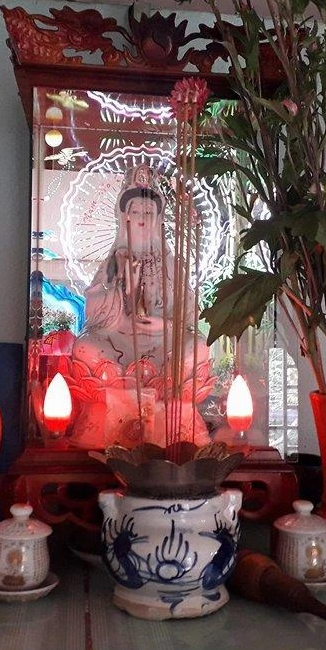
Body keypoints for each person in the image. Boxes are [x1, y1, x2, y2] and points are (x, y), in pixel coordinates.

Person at [69, 163, 211, 447]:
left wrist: (166, 325)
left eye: (149, 212)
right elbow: (94, 308)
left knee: (198, 347)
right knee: (85, 348)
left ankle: (173, 422)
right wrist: (123, 296)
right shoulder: (113, 261)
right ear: (125, 217)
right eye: (136, 212)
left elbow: (189, 310)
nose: (143, 219)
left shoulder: (171, 263)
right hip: (118, 339)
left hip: (163, 342)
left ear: (158, 218)